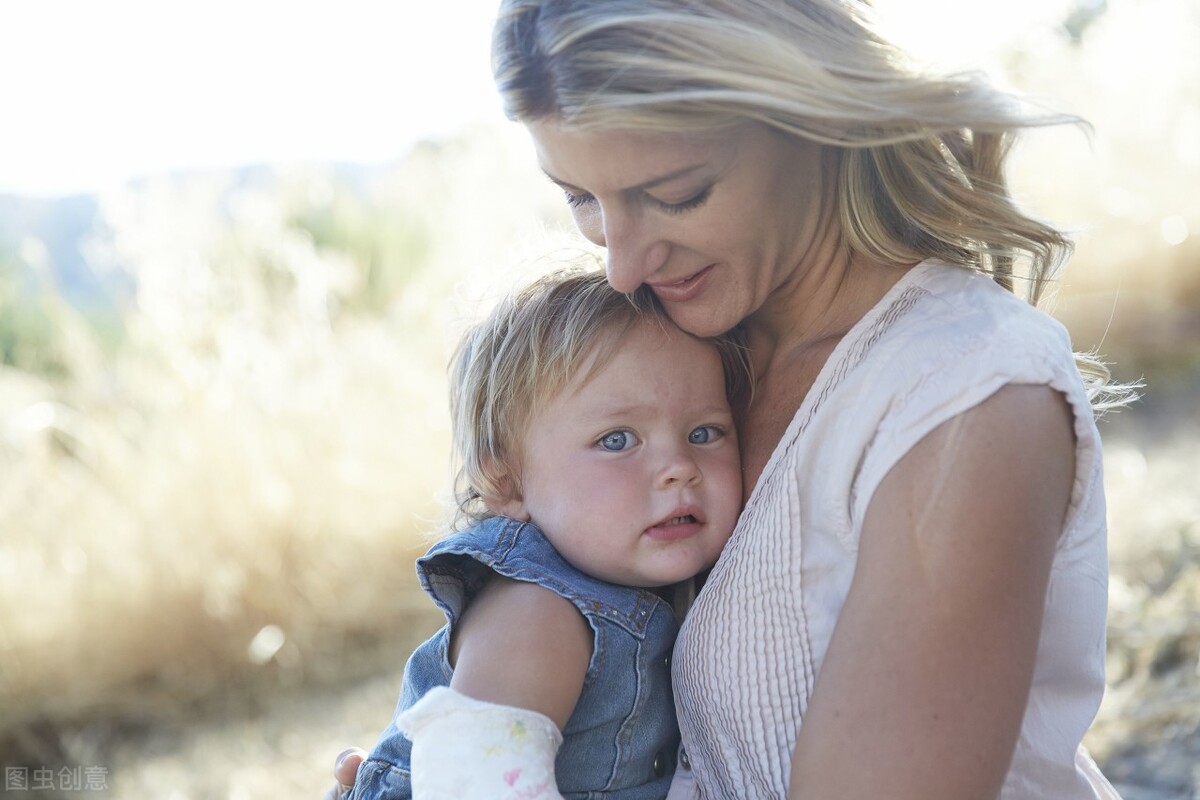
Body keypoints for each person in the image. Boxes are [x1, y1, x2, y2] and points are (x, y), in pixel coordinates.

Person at [335, 0, 1136, 797]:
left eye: (675, 193)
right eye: (580, 196)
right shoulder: (679, 359)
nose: (621, 262)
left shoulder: (964, 393)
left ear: (807, 116)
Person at [346, 266, 749, 798]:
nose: (679, 465)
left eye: (704, 432)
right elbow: (474, 784)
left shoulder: (642, 587)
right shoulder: (535, 610)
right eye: (617, 440)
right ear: (508, 482)